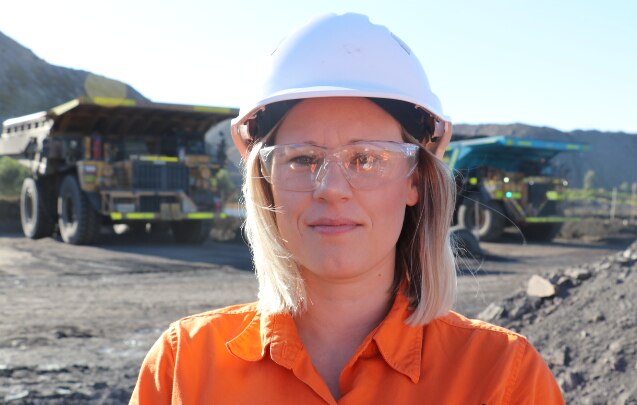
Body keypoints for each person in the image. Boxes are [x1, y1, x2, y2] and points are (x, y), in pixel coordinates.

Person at [130, 13, 564, 404]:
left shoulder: (503, 377)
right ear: (266, 180)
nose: (332, 189)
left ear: (415, 180)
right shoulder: (183, 368)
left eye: (367, 158)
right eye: (303, 159)